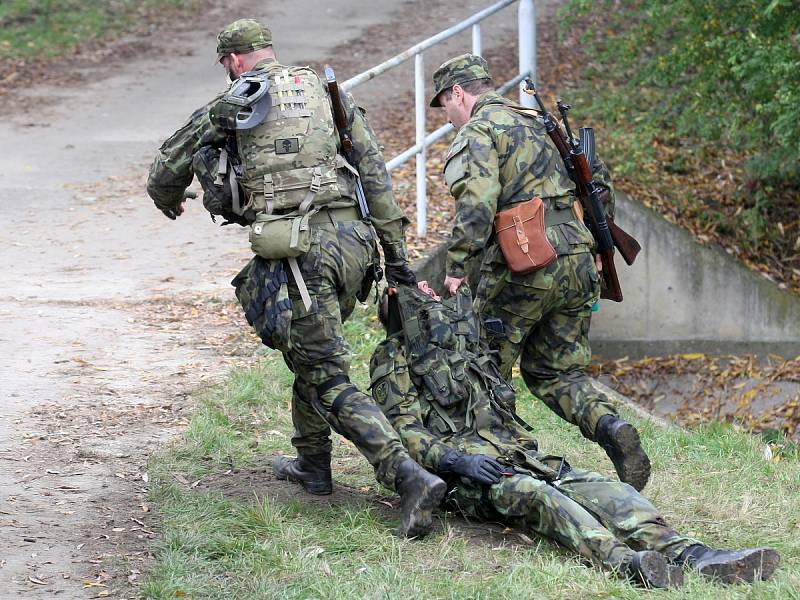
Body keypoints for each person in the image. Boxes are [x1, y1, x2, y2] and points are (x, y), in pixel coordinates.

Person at [145, 18, 445, 537]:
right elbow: (373, 171)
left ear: (235, 60)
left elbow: (164, 170)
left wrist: (170, 201)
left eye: (226, 64)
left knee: (325, 371)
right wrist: (396, 257)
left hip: (300, 254)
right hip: (354, 247)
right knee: (311, 353)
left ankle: (407, 474)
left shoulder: (233, 101)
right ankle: (312, 463)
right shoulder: (326, 93)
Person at [368, 284, 780, 588]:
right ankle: (628, 563)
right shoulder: (393, 359)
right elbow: (404, 431)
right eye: (419, 290)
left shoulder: (468, 350)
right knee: (543, 498)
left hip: (522, 457)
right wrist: (458, 462)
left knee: (603, 488)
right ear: (402, 309)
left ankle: (694, 554)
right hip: (472, 479)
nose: (431, 290)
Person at [430, 53, 651, 491]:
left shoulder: (480, 130)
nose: (448, 118)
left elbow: (476, 203)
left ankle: (508, 472)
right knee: (556, 372)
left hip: (525, 262)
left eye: (445, 106)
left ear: (458, 92)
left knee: (482, 367)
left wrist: (456, 267)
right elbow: (599, 186)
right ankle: (611, 427)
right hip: (578, 262)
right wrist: (591, 244)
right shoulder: (541, 122)